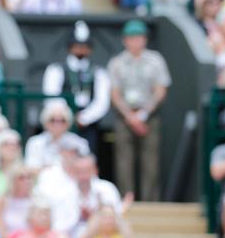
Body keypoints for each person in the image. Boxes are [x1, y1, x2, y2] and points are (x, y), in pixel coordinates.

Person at [107, 20, 171, 201]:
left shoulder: (155, 60)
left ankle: (150, 201)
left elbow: (160, 90)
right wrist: (130, 116)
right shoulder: (117, 63)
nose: (135, 42)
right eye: (131, 38)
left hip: (149, 114)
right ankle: (126, 199)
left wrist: (143, 114)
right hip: (124, 116)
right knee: (124, 160)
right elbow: (115, 94)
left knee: (150, 160)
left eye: (139, 38)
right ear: (125, 40)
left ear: (145, 39)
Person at [41, 20, 111, 154]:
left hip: (88, 124)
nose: (80, 49)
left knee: (87, 156)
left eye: (84, 46)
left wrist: (84, 118)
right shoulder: (56, 69)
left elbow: (102, 101)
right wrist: (67, 117)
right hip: (60, 121)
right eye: (77, 46)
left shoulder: (99, 72)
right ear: (69, 47)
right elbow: (51, 95)